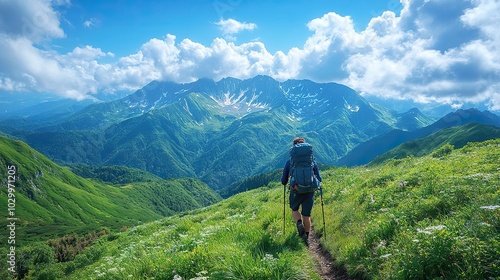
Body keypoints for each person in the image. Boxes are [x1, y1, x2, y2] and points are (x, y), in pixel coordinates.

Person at [281, 137, 322, 245]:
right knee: (306, 215)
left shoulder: (290, 162)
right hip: (309, 191)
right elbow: (319, 178)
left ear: (294, 148)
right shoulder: (312, 161)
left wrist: (287, 181)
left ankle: (299, 224)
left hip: (296, 190)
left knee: (294, 210)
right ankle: (306, 238)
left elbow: (283, 181)